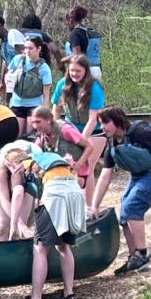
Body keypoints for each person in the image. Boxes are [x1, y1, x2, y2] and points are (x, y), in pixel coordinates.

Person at [2, 147, 86, 299]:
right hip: (75, 194)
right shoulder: (42, 160)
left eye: (8, 166)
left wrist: (14, 226)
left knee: (40, 248)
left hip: (55, 195)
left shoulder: (20, 167)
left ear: (11, 162)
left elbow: (18, 194)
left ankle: (36, 298)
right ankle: (69, 295)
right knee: (63, 246)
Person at [90, 106, 151, 275]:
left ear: (117, 120)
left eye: (105, 122)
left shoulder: (140, 131)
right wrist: (94, 205)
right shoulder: (111, 143)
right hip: (139, 176)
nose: (102, 127)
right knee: (125, 214)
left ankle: (142, 253)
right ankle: (134, 258)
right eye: (100, 123)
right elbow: (105, 175)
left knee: (133, 207)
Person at [51, 54, 107, 205]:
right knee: (69, 167)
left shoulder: (94, 88)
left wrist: (80, 140)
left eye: (78, 71)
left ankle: (89, 208)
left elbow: (93, 119)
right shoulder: (62, 84)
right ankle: (71, 203)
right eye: (72, 70)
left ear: (85, 71)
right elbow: (56, 109)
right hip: (70, 128)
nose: (74, 74)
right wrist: (58, 129)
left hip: (93, 131)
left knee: (87, 167)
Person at [30, 107, 94, 194]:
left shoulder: (65, 129)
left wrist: (79, 164)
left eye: (38, 122)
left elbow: (89, 146)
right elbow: (35, 154)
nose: (35, 126)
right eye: (33, 122)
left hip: (76, 174)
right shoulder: (41, 136)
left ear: (48, 120)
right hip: (58, 174)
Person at [0, 140, 39, 242]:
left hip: (24, 187)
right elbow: (4, 199)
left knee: (21, 228)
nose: (15, 171)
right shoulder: (1, 164)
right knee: (2, 226)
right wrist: (17, 222)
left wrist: (19, 223)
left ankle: (19, 252)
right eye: (13, 168)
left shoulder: (32, 163)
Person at [5, 35, 52, 136]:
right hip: (17, 103)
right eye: (26, 48)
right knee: (15, 135)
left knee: (31, 135)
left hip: (34, 105)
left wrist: (45, 114)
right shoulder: (17, 60)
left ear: (39, 49)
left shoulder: (44, 68)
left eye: (30, 48)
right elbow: (8, 80)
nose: (27, 51)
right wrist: (7, 103)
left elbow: (46, 95)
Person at [0, 13, 25, 103]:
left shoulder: (12, 34)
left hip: (23, 77)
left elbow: (23, 55)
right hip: (12, 79)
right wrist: (2, 82)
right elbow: (6, 62)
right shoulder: (2, 43)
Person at [61, 5, 102, 80]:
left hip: (85, 71)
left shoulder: (75, 33)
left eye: (67, 22)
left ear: (71, 20)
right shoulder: (91, 32)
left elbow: (77, 55)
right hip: (97, 69)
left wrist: (62, 61)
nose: (67, 24)